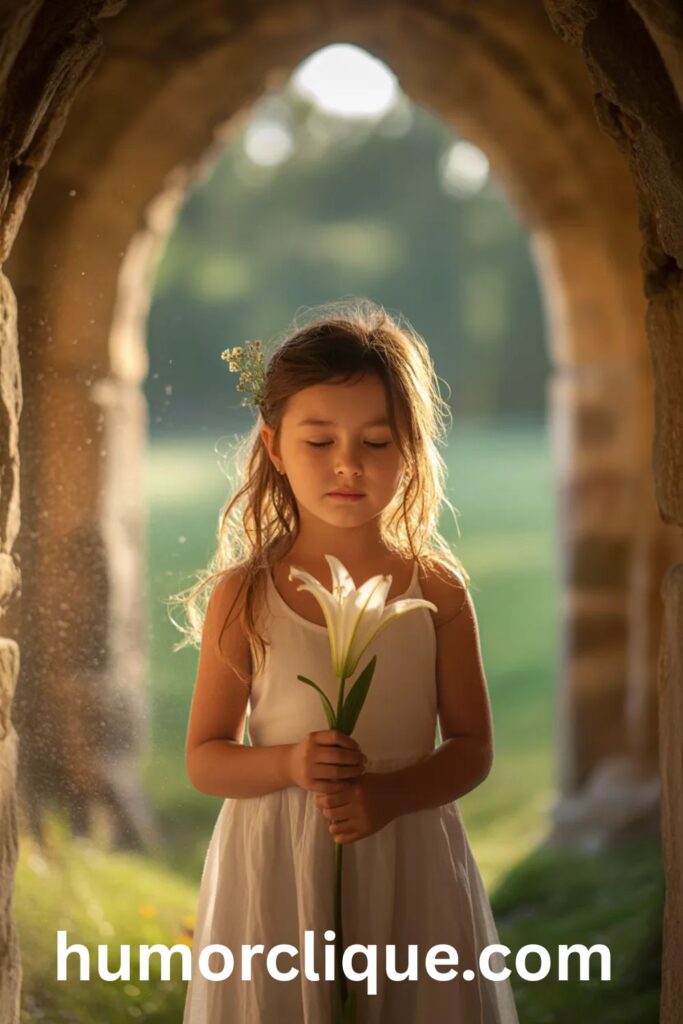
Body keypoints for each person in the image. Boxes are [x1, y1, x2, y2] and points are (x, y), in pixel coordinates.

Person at [176, 299, 520, 1023]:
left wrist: (388, 797)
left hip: (409, 859)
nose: (347, 466)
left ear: (411, 450)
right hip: (275, 867)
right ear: (273, 447)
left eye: (375, 442)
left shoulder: (435, 589)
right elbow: (205, 759)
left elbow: (472, 747)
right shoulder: (245, 595)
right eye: (318, 441)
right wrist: (288, 765)